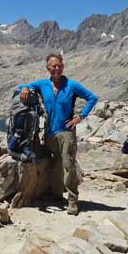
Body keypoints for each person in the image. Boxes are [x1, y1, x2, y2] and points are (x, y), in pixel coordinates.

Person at [19, 53, 98, 215]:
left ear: (63, 66)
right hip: (49, 132)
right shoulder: (43, 85)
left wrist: (80, 117)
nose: (57, 68)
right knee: (54, 164)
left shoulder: (72, 85)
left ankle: (72, 201)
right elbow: (25, 86)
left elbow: (92, 98)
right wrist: (25, 88)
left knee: (68, 164)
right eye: (53, 66)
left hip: (66, 131)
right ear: (48, 68)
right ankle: (56, 195)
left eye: (59, 65)